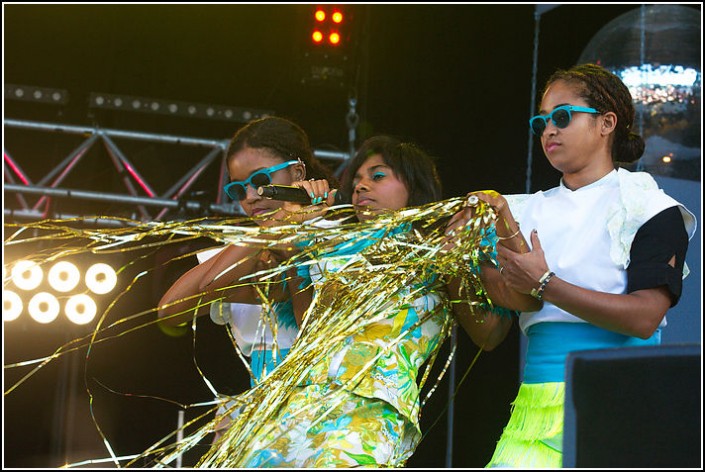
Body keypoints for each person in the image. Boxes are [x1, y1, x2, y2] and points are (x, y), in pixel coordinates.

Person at [199, 135, 539, 468]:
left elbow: (497, 328)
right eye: (357, 180)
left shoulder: (441, 249)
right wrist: (290, 229)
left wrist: (492, 228)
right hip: (300, 404)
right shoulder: (332, 251)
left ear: (414, 187)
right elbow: (308, 328)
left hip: (370, 414)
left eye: (377, 176)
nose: (361, 186)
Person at [448, 63, 696, 469]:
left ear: (606, 123)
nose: (549, 129)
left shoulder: (650, 206)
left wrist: (546, 283)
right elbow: (501, 323)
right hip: (537, 398)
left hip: (625, 398)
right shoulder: (522, 210)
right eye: (541, 121)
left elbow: (645, 317)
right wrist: (461, 259)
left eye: (562, 117)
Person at [157, 115, 338, 437]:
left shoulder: (340, 242)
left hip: (323, 421)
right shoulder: (247, 248)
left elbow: (319, 334)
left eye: (260, 180)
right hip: (252, 426)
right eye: (239, 188)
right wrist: (279, 223)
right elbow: (170, 310)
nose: (251, 196)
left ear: (297, 173)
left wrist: (285, 232)